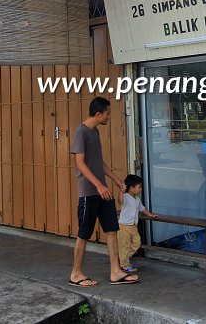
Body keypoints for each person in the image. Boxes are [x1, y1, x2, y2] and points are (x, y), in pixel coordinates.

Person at [68, 97, 139, 287]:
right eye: (107, 113)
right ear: (98, 114)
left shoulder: (95, 132)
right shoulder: (81, 132)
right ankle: (76, 274)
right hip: (89, 193)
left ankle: (115, 272)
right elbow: (80, 163)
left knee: (111, 230)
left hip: (103, 191)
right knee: (84, 233)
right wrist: (99, 185)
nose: (109, 116)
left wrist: (116, 180)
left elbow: (99, 162)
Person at [117, 174, 158, 273]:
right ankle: (125, 264)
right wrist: (121, 192)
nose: (141, 189)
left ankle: (123, 258)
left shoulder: (137, 199)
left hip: (133, 226)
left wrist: (149, 214)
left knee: (137, 242)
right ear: (131, 188)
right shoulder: (125, 197)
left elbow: (141, 208)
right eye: (139, 187)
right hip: (123, 226)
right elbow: (120, 201)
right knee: (124, 245)